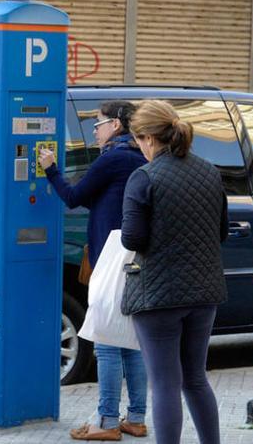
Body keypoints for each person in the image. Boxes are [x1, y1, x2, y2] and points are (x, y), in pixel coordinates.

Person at [38, 101, 149, 441]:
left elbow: (73, 197)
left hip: (111, 262)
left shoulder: (113, 158)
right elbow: (101, 199)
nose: (95, 130)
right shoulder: (140, 158)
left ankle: (107, 421)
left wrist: (50, 169)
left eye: (98, 123)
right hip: (135, 259)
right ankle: (136, 418)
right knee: (130, 341)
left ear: (116, 125)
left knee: (106, 342)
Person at [120, 100, 228, 444]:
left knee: (165, 382)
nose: (139, 147)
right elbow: (221, 231)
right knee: (195, 378)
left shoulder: (144, 177)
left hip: (158, 294)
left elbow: (133, 238)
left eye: (138, 140)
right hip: (204, 291)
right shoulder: (209, 171)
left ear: (149, 138)